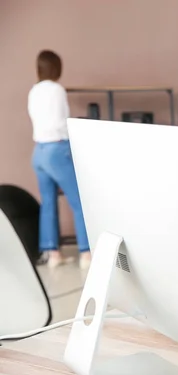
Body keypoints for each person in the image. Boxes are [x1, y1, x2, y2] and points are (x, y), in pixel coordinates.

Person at [28, 50, 91, 268]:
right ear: (57, 68)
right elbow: (61, 121)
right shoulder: (57, 90)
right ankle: (86, 253)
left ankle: (52, 253)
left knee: (48, 204)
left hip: (39, 152)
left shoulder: (34, 91)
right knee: (79, 201)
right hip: (57, 149)